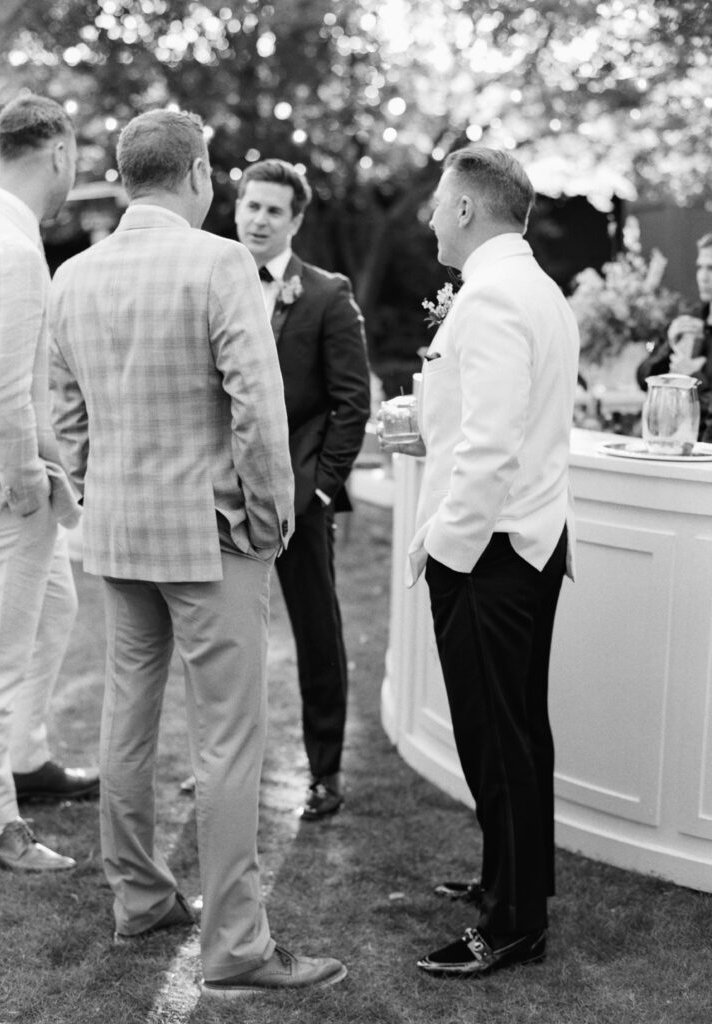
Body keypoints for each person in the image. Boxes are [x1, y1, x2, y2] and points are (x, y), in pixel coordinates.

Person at [49, 109, 346, 994]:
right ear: (197, 173)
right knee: (227, 740)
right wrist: (269, 516)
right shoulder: (219, 262)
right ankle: (238, 948)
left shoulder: (73, 273)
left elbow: (65, 417)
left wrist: (98, 492)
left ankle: (139, 897)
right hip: (211, 538)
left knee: (125, 718)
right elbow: (256, 408)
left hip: (119, 534)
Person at [381, 146, 579, 978]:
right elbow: (494, 423)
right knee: (516, 733)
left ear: (466, 208)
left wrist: (443, 547)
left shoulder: (494, 297)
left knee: (497, 738)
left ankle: (511, 925)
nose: (429, 216)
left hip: (491, 552)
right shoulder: (533, 288)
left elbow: (492, 448)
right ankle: (510, 880)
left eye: (436, 202)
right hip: (526, 541)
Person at [0, 94, 97, 875]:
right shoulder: (9, 250)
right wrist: (27, 487)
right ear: (58, 156)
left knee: (56, 607)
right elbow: (2, 398)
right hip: (2, 485)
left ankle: (25, 754)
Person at [232, 158, 370, 821]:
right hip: (223, 495)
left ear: (295, 219)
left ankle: (323, 771)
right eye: (250, 206)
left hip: (299, 497)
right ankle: (227, 764)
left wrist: (318, 490)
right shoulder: (212, 281)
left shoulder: (324, 293)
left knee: (317, 633)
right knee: (225, 636)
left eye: (272, 210)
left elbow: (351, 403)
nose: (258, 219)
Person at [636, 232, 712, 440]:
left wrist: (695, 378)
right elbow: (643, 378)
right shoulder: (687, 318)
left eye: (711, 268)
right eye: (700, 267)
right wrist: (669, 344)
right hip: (673, 444)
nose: (703, 276)